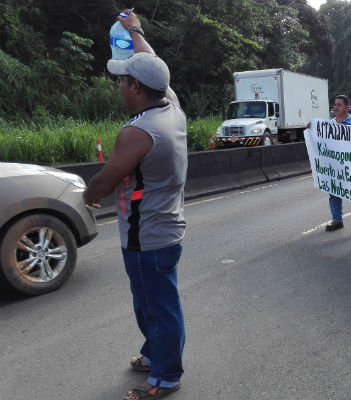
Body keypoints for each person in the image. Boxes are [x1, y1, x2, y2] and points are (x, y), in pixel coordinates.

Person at [83, 9, 187, 400]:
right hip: (163, 229)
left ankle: (165, 376)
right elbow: (156, 68)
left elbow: (105, 181)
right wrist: (136, 31)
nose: (119, 86)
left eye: (123, 80)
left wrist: (85, 198)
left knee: (158, 307)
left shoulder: (137, 131)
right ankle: (153, 354)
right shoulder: (170, 107)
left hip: (148, 237)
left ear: (136, 88)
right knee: (150, 303)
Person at [322, 95, 351, 236]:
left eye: (339, 105)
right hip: (335, 167)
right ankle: (337, 220)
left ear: (347, 108)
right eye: (334, 104)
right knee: (334, 193)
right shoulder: (330, 124)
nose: (335, 107)